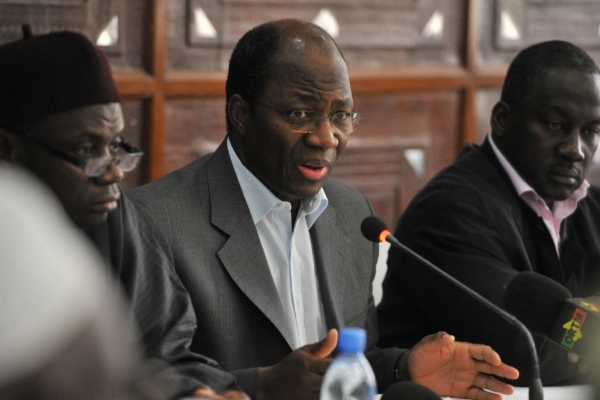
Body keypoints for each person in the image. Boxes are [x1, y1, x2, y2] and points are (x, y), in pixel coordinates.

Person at [129, 19, 519, 400]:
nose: (325, 137)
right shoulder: (153, 223)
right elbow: (140, 379)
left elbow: (345, 363)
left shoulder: (353, 216)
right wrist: (261, 387)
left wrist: (402, 368)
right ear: (240, 114)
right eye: (299, 115)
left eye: (341, 116)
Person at [0, 28, 245, 400]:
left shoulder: (110, 216)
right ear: (8, 150)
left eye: (115, 145)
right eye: (87, 149)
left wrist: (196, 393)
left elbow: (171, 354)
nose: (114, 172)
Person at [377, 40, 600, 387]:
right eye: (556, 125)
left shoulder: (588, 204)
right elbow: (522, 351)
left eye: (591, 132)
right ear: (502, 120)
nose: (575, 149)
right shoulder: (450, 209)